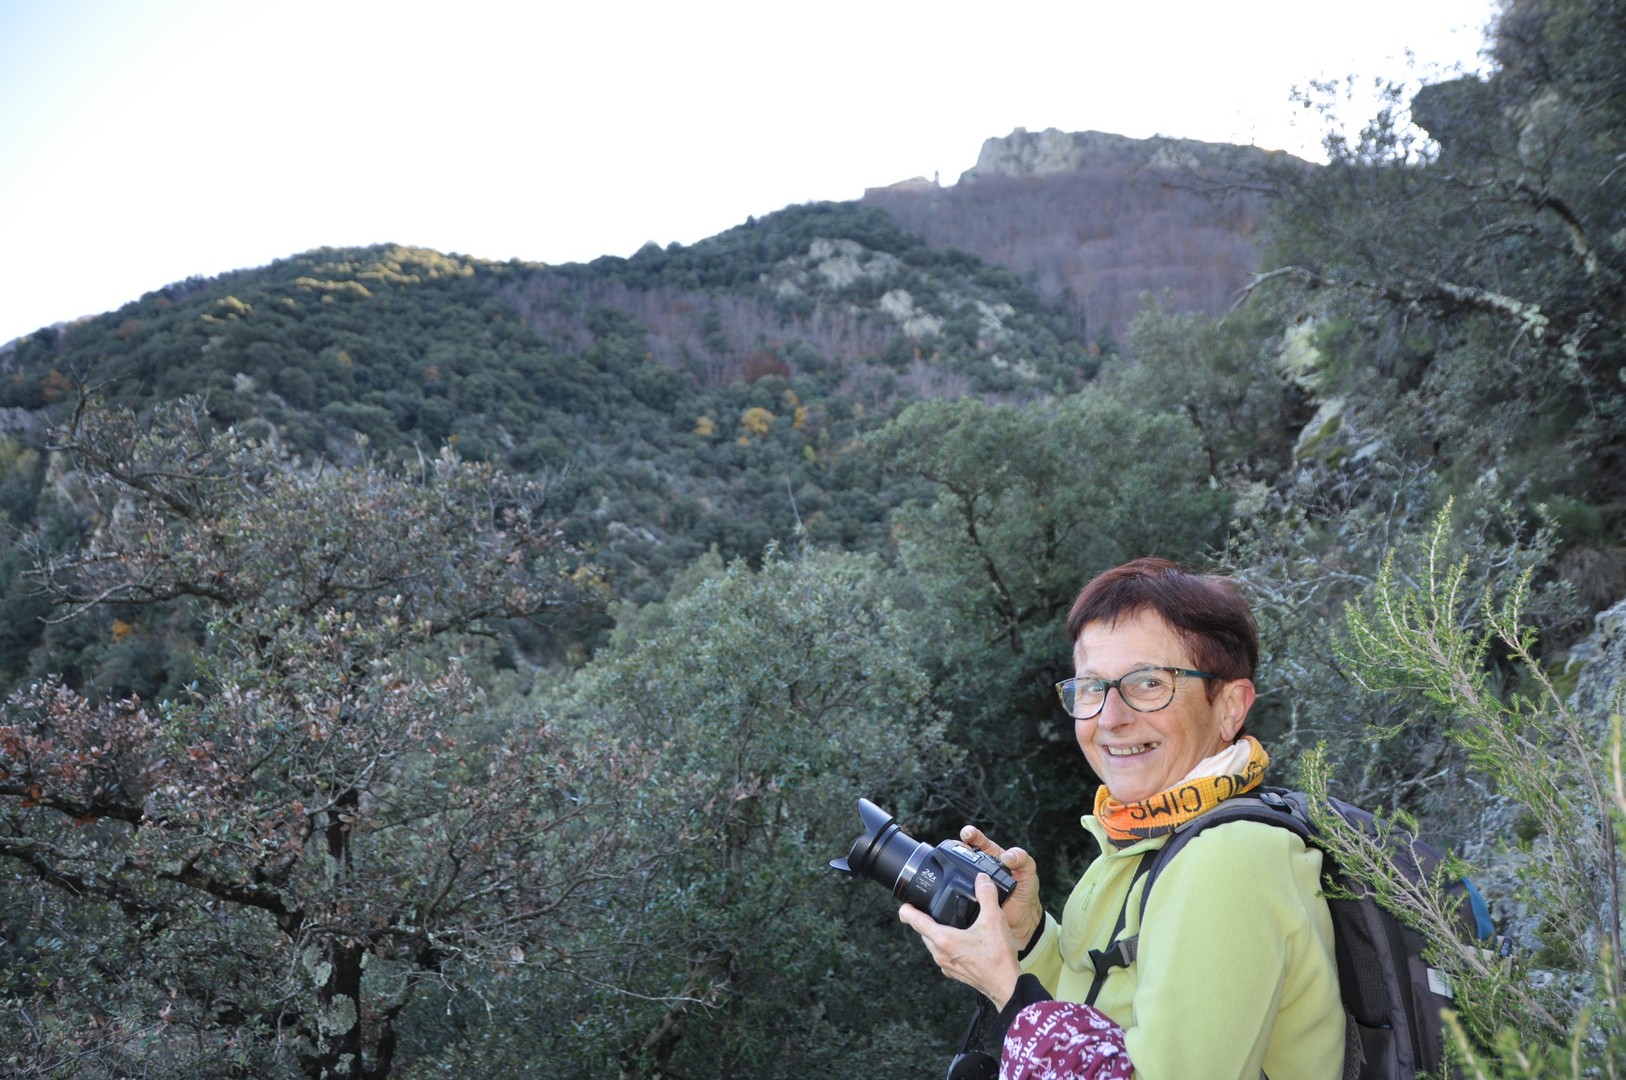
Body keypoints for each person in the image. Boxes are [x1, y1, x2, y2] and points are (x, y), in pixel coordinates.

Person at [901, 557, 1344, 1079]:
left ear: (1229, 706)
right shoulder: (1142, 838)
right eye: (1092, 687)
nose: (1111, 718)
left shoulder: (1228, 859)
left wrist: (1006, 988)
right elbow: (1099, 1011)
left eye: (1149, 683)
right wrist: (1030, 938)